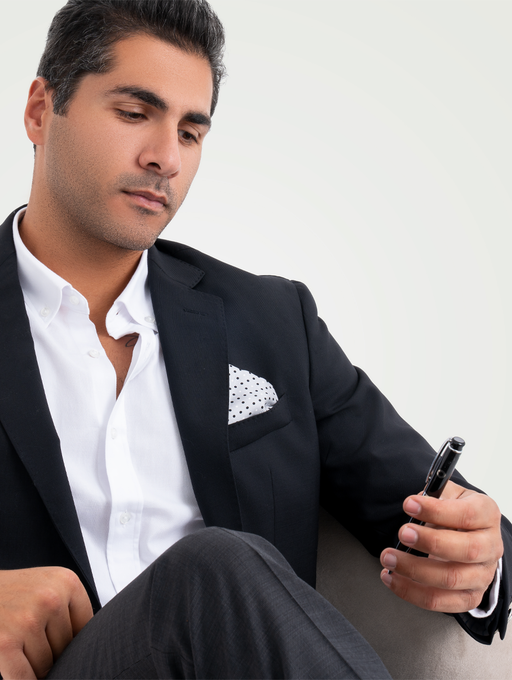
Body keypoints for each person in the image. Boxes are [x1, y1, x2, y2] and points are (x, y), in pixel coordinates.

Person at [0, 0, 509, 678]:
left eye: (191, 132)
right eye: (133, 113)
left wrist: (480, 556)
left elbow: (432, 507)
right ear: (41, 109)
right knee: (214, 562)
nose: (165, 159)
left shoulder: (272, 320)